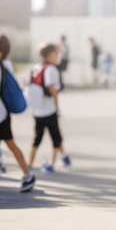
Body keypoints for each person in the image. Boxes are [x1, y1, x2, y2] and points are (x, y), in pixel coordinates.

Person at [0, 34, 36, 191]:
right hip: (2, 114)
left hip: (1, 115)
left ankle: (28, 175)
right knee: (11, 145)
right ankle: (27, 175)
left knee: (11, 145)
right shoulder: (5, 65)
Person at [28, 43, 71, 173]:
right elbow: (52, 88)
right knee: (55, 137)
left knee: (37, 138)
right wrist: (57, 105)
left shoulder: (36, 68)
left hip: (37, 110)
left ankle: (30, 162)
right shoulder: (51, 69)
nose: (56, 57)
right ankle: (52, 163)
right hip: (49, 110)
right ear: (49, 56)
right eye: (54, 55)